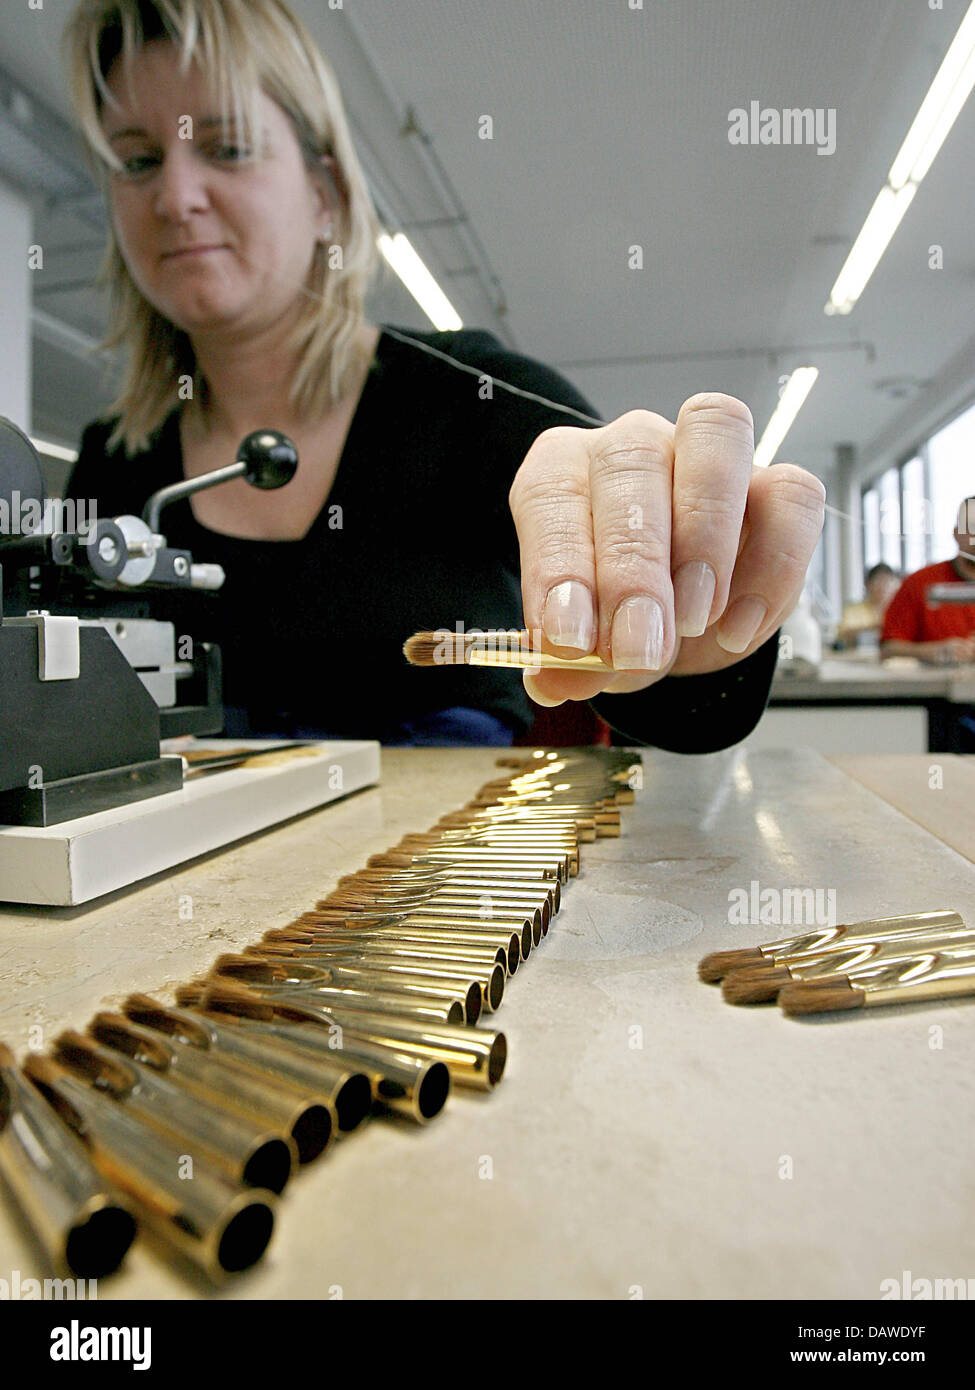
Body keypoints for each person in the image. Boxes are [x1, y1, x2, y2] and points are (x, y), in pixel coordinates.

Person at [63, 0, 825, 751]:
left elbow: (690, 710)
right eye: (137, 160)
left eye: (227, 149)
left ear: (324, 195)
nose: (174, 197)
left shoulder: (473, 403)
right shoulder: (115, 466)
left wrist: (691, 608)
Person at [881, 498, 975, 666]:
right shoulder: (920, 583)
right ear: (956, 533)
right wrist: (935, 652)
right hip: (935, 689)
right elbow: (888, 648)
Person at [835, 563, 900, 649]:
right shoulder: (853, 611)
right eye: (879, 581)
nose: (883, 586)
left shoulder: (901, 611)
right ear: (868, 584)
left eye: (888, 581)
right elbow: (842, 636)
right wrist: (874, 628)